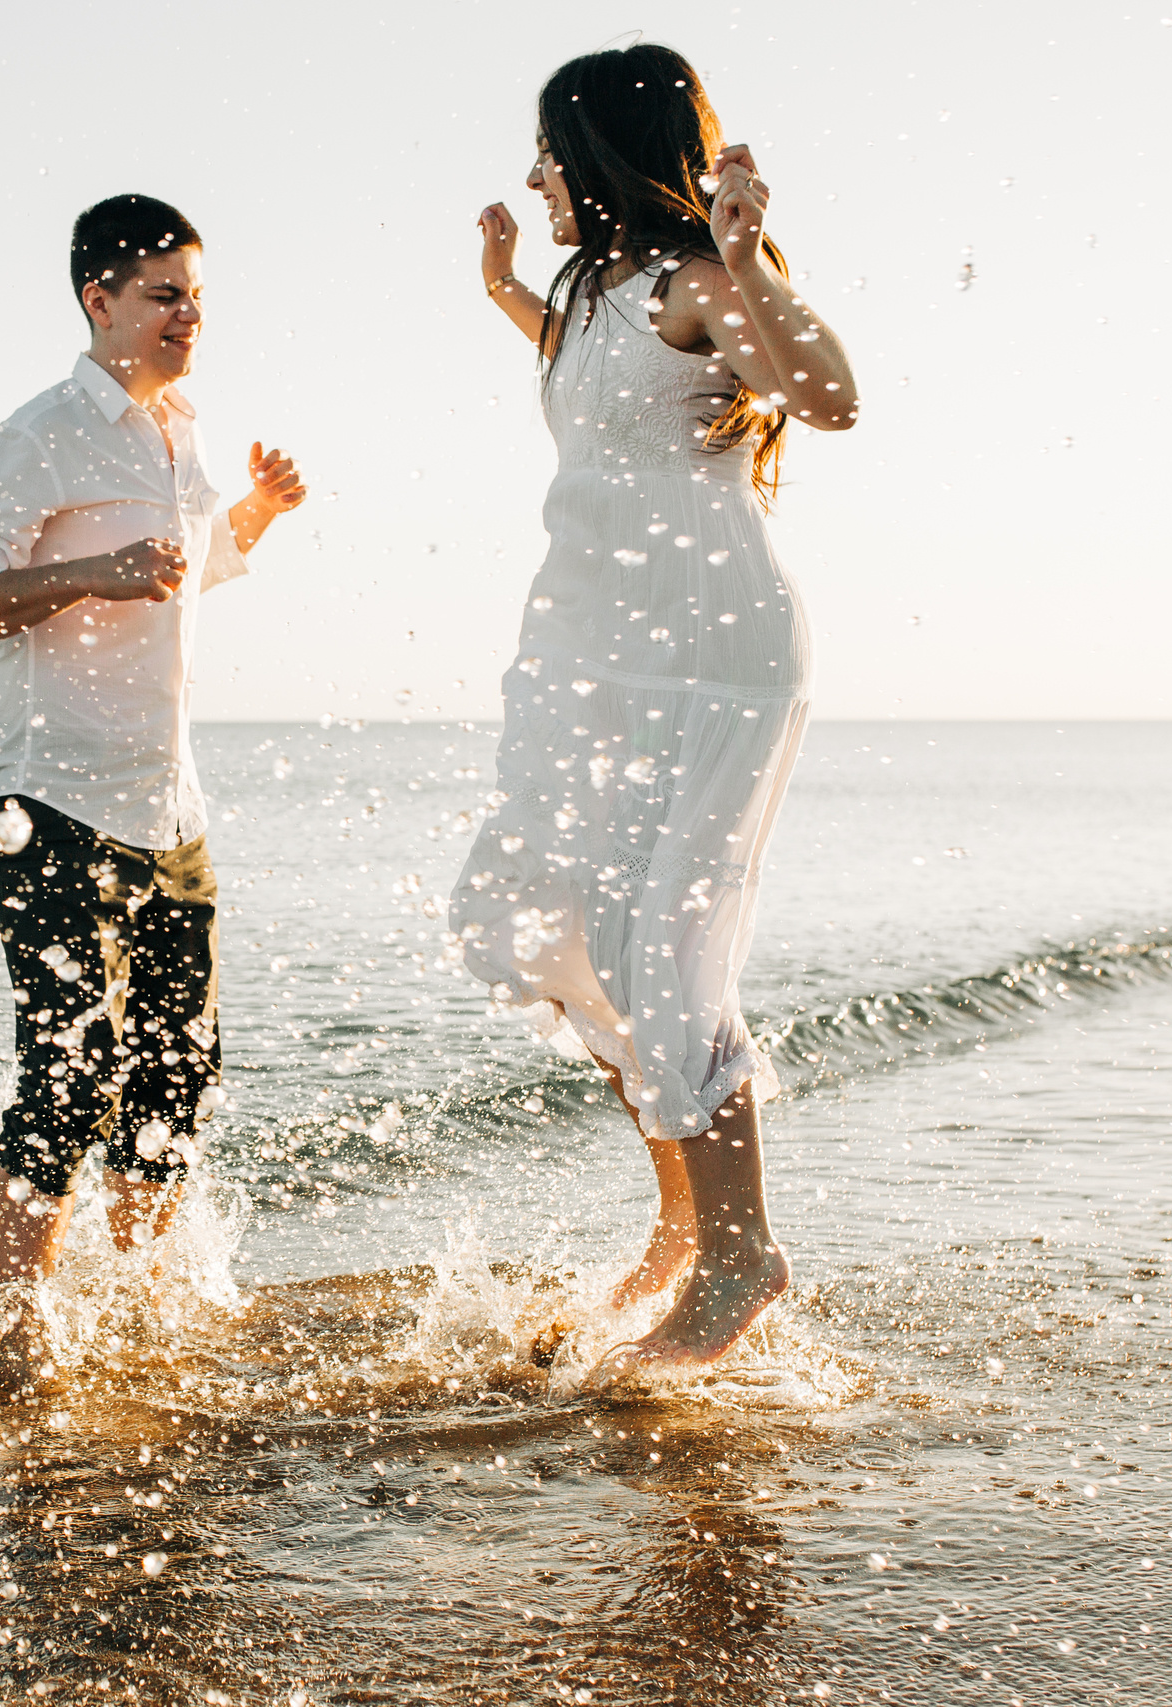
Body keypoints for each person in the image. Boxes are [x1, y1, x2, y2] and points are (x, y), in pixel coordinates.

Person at [454, 45, 858, 1386]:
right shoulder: (596, 294)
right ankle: (682, 1232)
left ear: (608, 152)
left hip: (717, 658)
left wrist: (746, 257)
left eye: (548, 154)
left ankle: (742, 1251)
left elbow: (828, 393)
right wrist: (509, 290)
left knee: (671, 947)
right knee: (573, 925)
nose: (533, 177)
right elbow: (606, 387)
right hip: (606, 659)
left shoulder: (701, 280)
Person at [0, 193, 306, 1389]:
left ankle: (139, 1299)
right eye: (164, 294)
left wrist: (251, 517)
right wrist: (96, 571)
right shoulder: (40, 431)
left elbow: (180, 575)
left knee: (179, 1066)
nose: (189, 316)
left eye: (197, 294)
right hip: (46, 793)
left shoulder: (180, 426)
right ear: (100, 300)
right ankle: (18, 1324)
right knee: (70, 1059)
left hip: (167, 804)